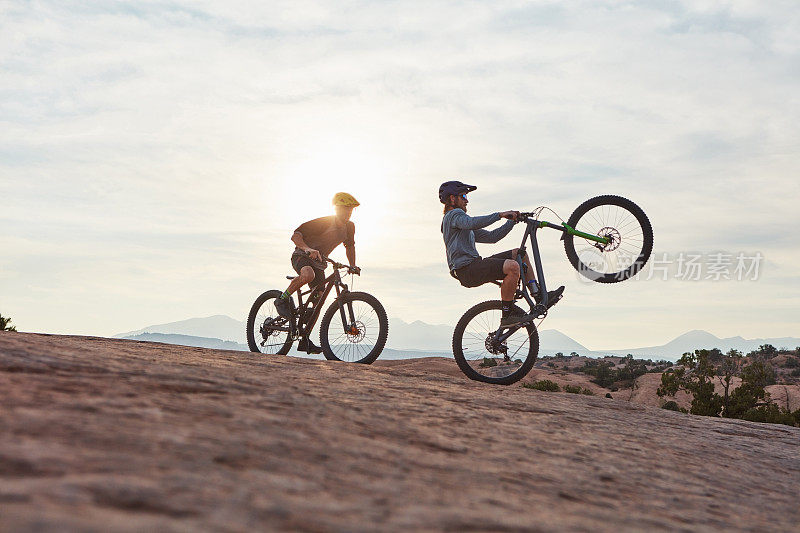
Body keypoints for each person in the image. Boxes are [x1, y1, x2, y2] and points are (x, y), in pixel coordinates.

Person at [439, 180, 564, 327]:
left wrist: (511, 221)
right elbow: (472, 222)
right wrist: (500, 215)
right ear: (452, 199)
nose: (467, 201)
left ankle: (538, 296)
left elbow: (493, 237)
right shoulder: (453, 215)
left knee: (519, 254)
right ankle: (507, 315)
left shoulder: (460, 223)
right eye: (464, 196)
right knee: (513, 267)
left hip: (474, 265)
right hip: (466, 269)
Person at [274, 192, 362, 353]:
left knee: (318, 301)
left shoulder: (350, 227)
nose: (348, 213)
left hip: (320, 263)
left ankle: (304, 338)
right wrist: (308, 249)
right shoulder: (324, 222)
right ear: (336, 209)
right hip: (301, 256)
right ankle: (281, 299)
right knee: (308, 275)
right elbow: (295, 236)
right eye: (345, 209)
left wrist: (353, 265)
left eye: (350, 210)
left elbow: (349, 246)